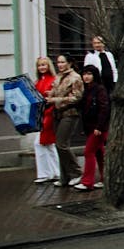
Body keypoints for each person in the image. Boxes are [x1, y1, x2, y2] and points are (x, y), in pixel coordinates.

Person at [47, 54, 83, 187]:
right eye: (58, 62)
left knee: (61, 144)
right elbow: (54, 91)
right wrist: (49, 94)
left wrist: (55, 100)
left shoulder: (76, 78)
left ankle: (77, 172)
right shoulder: (58, 77)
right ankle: (65, 177)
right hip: (57, 114)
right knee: (59, 145)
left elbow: (76, 97)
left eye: (63, 62)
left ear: (70, 63)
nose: (60, 65)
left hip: (70, 114)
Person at [73, 65, 110, 191]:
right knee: (99, 153)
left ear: (94, 75)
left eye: (89, 74)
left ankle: (87, 182)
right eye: (84, 74)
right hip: (90, 127)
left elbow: (104, 108)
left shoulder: (99, 89)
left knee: (89, 152)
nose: (86, 77)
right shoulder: (87, 90)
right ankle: (106, 179)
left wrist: (99, 126)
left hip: (98, 128)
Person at [32, 56, 60, 184]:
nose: (42, 67)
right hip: (42, 115)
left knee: (43, 143)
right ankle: (53, 172)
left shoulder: (53, 80)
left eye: (44, 65)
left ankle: (48, 173)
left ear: (49, 66)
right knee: (47, 144)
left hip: (49, 115)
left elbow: (52, 99)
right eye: (39, 65)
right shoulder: (38, 81)